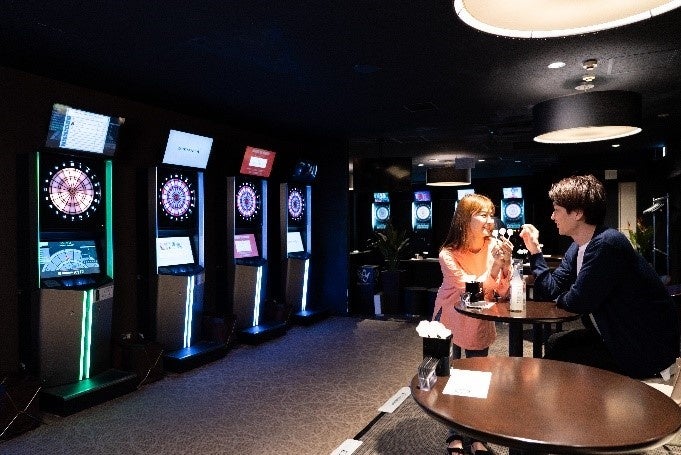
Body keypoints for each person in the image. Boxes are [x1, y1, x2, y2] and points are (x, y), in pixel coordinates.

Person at [519, 174, 679, 379]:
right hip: (613, 336)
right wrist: (534, 250)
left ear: (577, 213)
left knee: (560, 360)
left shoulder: (607, 243)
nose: (552, 217)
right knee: (556, 343)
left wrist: (564, 296)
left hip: (642, 348)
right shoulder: (577, 247)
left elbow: (578, 301)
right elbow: (551, 289)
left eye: (557, 210)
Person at [432, 193, 513, 455]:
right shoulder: (448, 254)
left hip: (478, 320)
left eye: (491, 215)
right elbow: (471, 291)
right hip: (450, 317)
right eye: (483, 215)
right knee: (451, 376)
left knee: (478, 375)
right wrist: (494, 269)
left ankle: (477, 435)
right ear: (465, 219)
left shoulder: (494, 246)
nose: (490, 220)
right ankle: (454, 432)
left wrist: (505, 265)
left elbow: (502, 292)